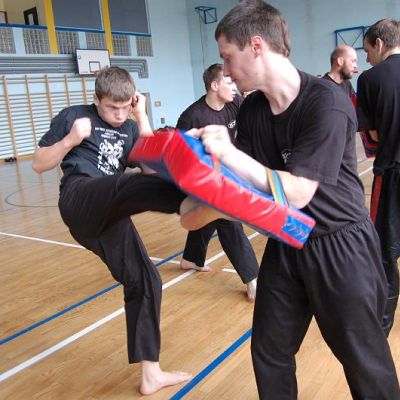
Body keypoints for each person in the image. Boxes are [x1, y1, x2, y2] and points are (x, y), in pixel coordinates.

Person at [181, 1, 400, 398]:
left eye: (228, 57)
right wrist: (195, 173)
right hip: (288, 239)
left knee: (364, 361)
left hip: (341, 245)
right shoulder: (252, 109)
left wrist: (226, 152)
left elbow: (298, 191)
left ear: (256, 46)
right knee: (270, 351)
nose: (225, 70)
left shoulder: (325, 102)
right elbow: (243, 180)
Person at [31, 66, 192, 395]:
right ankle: (194, 201)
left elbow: (151, 169)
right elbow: (39, 163)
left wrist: (141, 117)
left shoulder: (131, 127)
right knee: (124, 184)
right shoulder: (74, 116)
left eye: (124, 107)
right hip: (80, 199)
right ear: (96, 100)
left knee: (146, 280)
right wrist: (70, 139)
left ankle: (151, 374)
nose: (119, 115)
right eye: (111, 108)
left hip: (110, 214)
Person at [176, 63, 259, 301]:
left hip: (225, 173)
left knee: (208, 216)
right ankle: (253, 279)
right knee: (227, 219)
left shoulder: (235, 104)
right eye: (228, 82)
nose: (234, 87)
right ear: (214, 85)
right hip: (200, 177)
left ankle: (191, 259)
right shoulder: (192, 116)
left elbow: (255, 114)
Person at [356, 18, 400, 336]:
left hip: (391, 172)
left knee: (384, 252)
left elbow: (372, 136)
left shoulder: (370, 79)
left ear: (380, 43)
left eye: (368, 49)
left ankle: (381, 328)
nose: (367, 57)